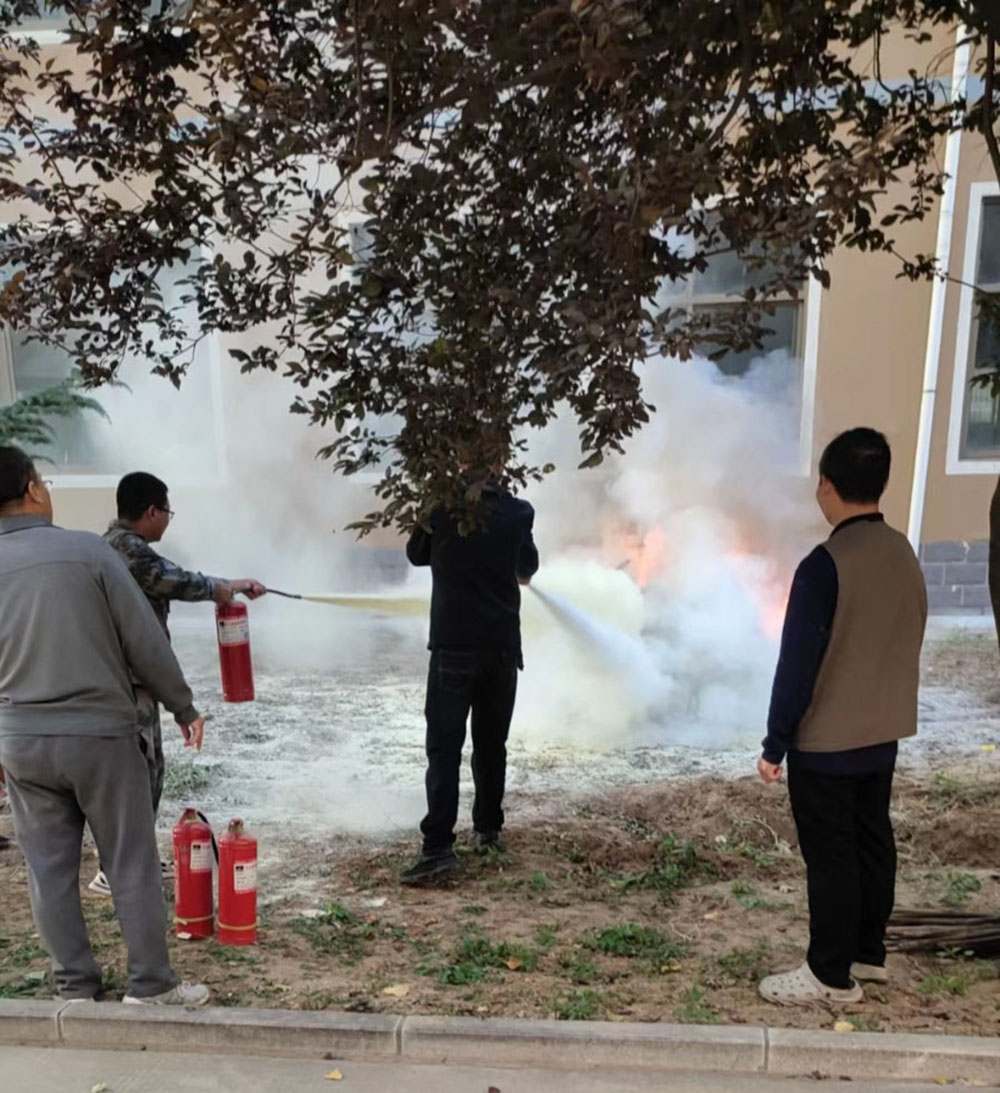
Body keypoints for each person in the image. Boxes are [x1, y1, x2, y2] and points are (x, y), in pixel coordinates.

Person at [0, 445, 210, 1005]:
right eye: (43, 481)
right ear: (31, 490)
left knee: (48, 870)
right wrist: (183, 706)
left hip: (21, 741)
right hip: (100, 736)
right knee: (130, 861)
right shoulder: (88, 552)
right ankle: (151, 985)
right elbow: (144, 640)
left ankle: (75, 987)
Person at [756, 428, 927, 1006]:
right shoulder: (903, 553)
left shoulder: (824, 565)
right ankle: (866, 953)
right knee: (872, 840)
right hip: (883, 733)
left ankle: (829, 975)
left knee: (831, 856)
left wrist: (775, 744)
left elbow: (797, 664)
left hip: (827, 744)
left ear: (828, 486)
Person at [88, 472, 265, 896]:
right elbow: (177, 581)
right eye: (167, 512)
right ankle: (116, 870)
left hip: (127, 680)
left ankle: (133, 860)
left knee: (145, 772)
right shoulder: (129, 551)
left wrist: (232, 585)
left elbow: (177, 576)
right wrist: (223, 590)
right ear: (151, 511)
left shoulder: (113, 546)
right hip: (128, 683)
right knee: (138, 776)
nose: (169, 520)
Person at [401, 476, 539, 885]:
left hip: (453, 648)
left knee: (444, 750)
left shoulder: (440, 510)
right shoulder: (518, 512)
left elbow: (416, 555)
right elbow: (526, 571)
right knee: (492, 745)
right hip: (501, 649)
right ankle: (488, 831)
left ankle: (437, 850)